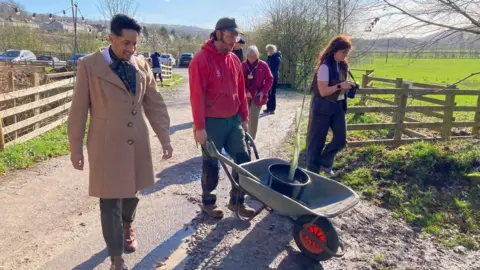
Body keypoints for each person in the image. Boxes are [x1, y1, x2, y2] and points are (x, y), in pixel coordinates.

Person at [67, 14, 173, 270]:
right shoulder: (89, 65)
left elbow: (155, 104)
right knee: (109, 199)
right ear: (110, 38)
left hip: (136, 139)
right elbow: (79, 109)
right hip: (105, 143)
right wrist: (75, 147)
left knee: (130, 191)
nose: (131, 49)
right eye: (126, 43)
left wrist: (165, 137)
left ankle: (127, 225)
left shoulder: (142, 65)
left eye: (134, 44)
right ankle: (116, 257)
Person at [189, 17, 255, 219]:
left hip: (233, 120)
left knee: (243, 160)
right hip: (212, 122)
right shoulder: (201, 60)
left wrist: (244, 116)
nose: (233, 41)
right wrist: (200, 127)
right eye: (230, 36)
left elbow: (241, 89)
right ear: (218, 33)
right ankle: (208, 203)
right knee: (211, 163)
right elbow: (196, 96)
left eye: (236, 37)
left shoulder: (234, 59)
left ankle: (237, 201)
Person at [306, 35, 356, 177]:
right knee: (316, 142)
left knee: (341, 139)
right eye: (343, 52)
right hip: (322, 108)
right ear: (335, 50)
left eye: (347, 53)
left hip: (338, 107)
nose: (345, 56)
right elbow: (323, 91)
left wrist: (349, 86)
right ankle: (311, 173)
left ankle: (325, 162)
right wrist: (340, 85)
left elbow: (339, 86)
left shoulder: (343, 66)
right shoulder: (324, 67)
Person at [242, 45, 273, 140]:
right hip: (244, 97)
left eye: (254, 55)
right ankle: (243, 138)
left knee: (254, 118)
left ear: (257, 55)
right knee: (244, 118)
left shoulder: (263, 65)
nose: (251, 57)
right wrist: (245, 91)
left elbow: (270, 79)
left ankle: (251, 139)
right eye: (249, 55)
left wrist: (263, 92)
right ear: (246, 55)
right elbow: (238, 81)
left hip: (257, 97)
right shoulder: (242, 65)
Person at [264, 44, 282, 114]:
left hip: (273, 78)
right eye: (267, 50)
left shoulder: (276, 58)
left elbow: (274, 69)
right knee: (268, 93)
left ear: (272, 50)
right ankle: (268, 108)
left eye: (269, 50)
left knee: (273, 93)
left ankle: (272, 109)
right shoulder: (270, 57)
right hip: (268, 77)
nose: (268, 51)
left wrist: (270, 77)